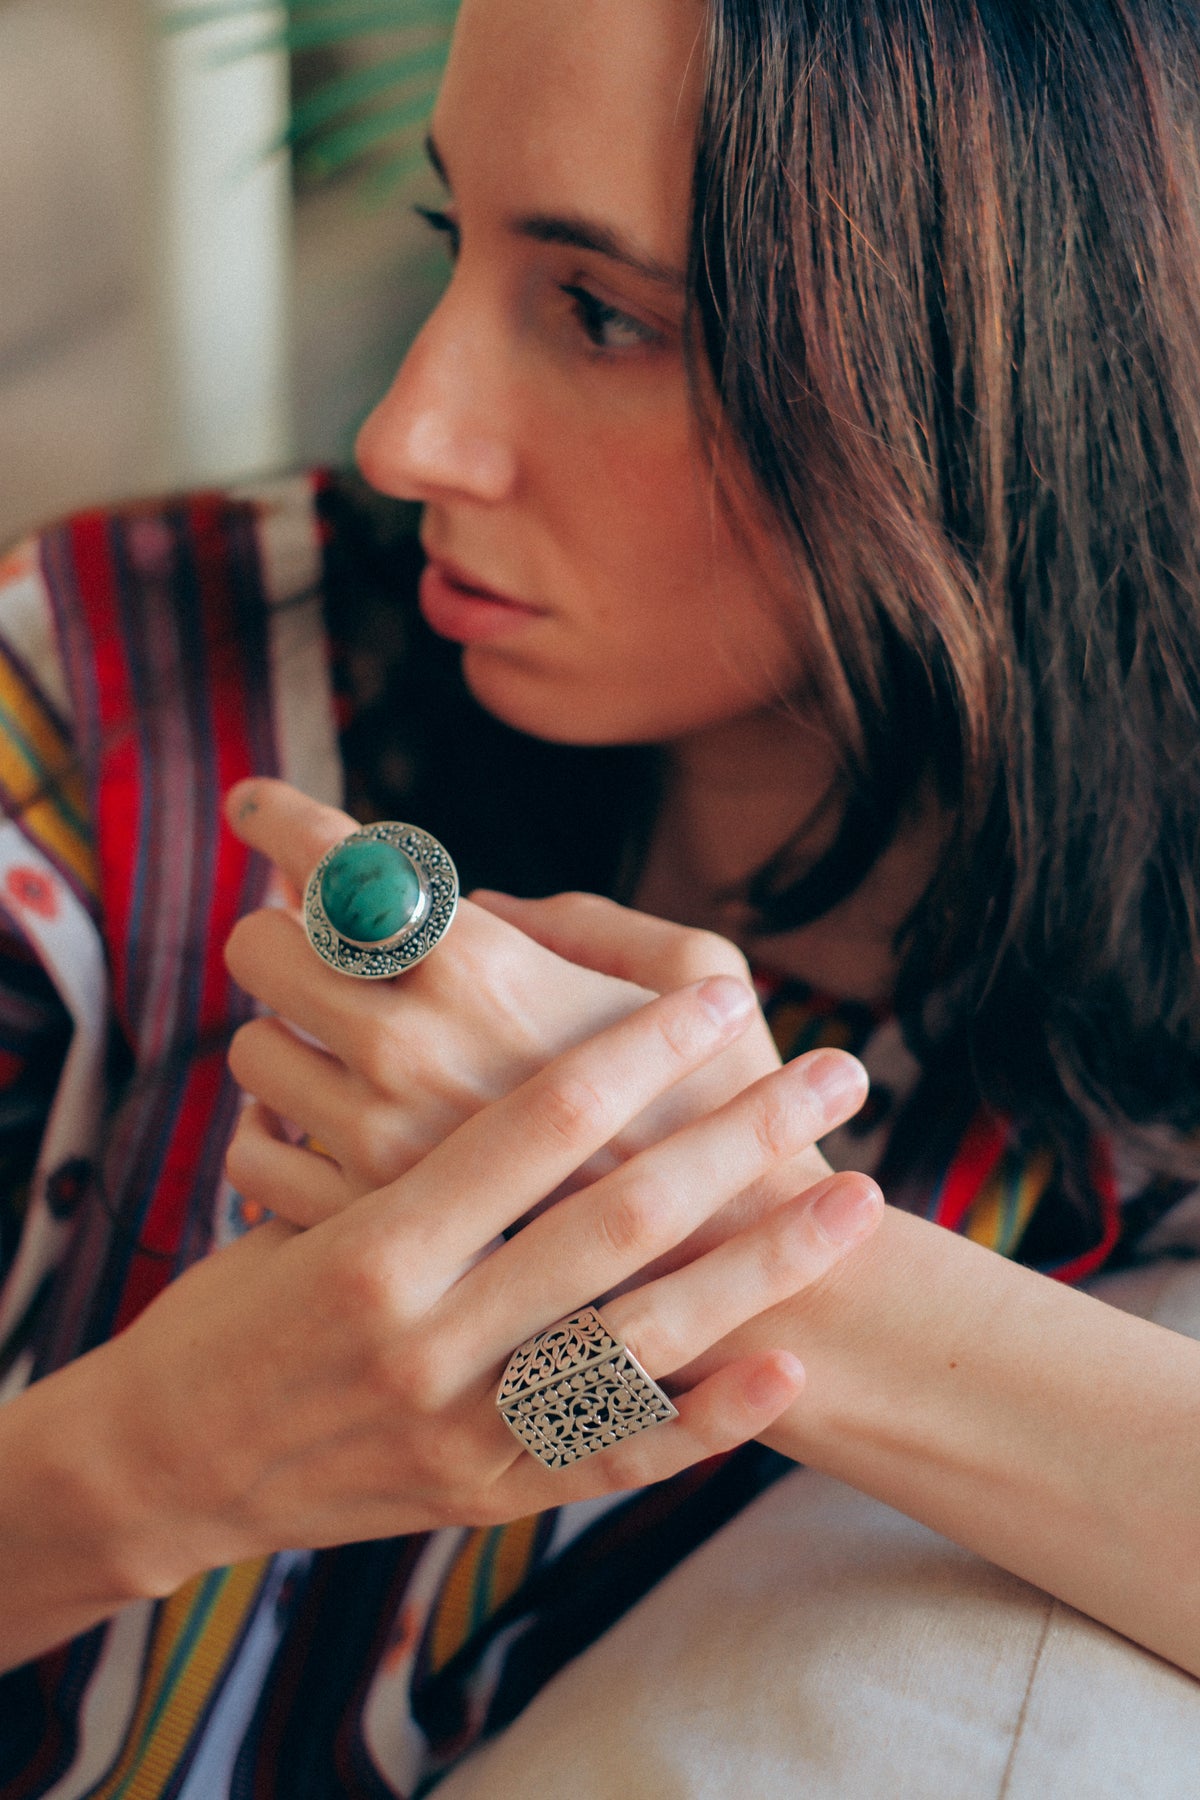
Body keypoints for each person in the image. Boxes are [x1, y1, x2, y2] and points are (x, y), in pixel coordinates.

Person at [1, 0, 1200, 1792]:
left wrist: (710, 1236)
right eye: (450, 239)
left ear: (1015, 373)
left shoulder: (1137, 1064)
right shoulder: (115, 701)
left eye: (602, 315)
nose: (407, 435)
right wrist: (162, 1459)